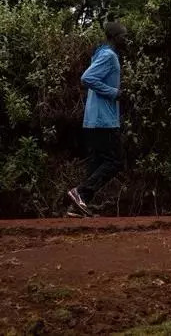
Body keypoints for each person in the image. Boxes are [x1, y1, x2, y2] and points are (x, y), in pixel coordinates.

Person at [67, 21, 128, 217]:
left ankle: (77, 207)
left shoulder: (101, 53)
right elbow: (87, 78)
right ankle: (80, 192)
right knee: (115, 161)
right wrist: (114, 93)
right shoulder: (109, 55)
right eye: (123, 35)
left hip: (93, 119)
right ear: (114, 37)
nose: (125, 38)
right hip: (104, 120)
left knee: (96, 163)